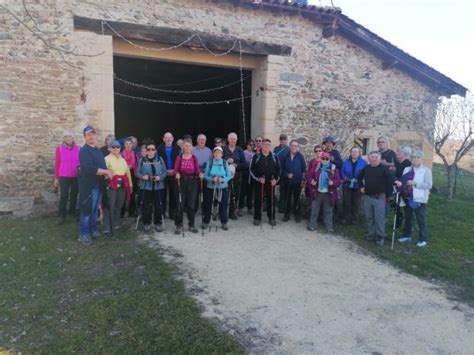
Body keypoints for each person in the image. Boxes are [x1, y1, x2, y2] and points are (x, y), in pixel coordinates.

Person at [78, 126, 112, 246]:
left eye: (93, 134)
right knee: (87, 210)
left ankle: (92, 230)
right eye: (88, 135)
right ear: (85, 137)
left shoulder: (97, 150)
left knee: (94, 210)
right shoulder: (84, 151)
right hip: (89, 186)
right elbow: (89, 168)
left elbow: (101, 165)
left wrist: (106, 173)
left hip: (98, 185)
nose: (91, 136)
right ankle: (83, 234)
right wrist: (106, 172)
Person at [358, 151, 401, 246]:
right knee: (369, 217)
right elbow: (359, 178)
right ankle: (371, 234)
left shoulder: (384, 169)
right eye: (372, 157)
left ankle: (380, 237)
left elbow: (391, 176)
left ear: (379, 158)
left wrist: (396, 181)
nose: (374, 159)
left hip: (379, 198)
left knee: (379, 218)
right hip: (367, 197)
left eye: (376, 157)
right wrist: (361, 187)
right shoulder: (366, 168)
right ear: (369, 159)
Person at [398, 150, 432, 247]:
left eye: (418, 157)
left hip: (419, 198)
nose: (415, 159)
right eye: (413, 157)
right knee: (408, 217)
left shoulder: (426, 170)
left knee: (420, 218)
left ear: (421, 159)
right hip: (407, 197)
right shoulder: (407, 169)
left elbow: (429, 185)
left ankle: (423, 239)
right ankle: (407, 235)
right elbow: (402, 180)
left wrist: (415, 184)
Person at [137, 142, 168, 233]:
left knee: (158, 205)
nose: (150, 151)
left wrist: (160, 177)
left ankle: (158, 223)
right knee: (146, 206)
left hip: (158, 186)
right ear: (146, 151)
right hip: (146, 186)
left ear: (155, 151)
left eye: (152, 149)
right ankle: (146, 223)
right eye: (148, 149)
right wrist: (143, 177)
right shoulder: (142, 160)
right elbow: (137, 173)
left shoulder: (159, 159)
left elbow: (165, 172)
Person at [173, 139, 203, 234]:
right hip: (181, 182)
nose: (187, 148)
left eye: (189, 146)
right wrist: (176, 174)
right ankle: (178, 225)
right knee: (180, 204)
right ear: (183, 147)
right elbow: (175, 170)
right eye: (185, 146)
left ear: (191, 147)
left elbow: (197, 170)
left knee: (191, 204)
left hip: (192, 183)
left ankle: (191, 225)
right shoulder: (179, 158)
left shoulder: (194, 158)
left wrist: (201, 174)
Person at [103, 140, 133, 235]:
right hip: (111, 184)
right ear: (110, 148)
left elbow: (127, 173)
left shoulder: (122, 159)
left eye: (118, 147)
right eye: (113, 147)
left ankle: (116, 223)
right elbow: (104, 171)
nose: (116, 149)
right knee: (110, 205)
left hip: (123, 185)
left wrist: (130, 184)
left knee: (119, 205)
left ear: (120, 148)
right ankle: (108, 226)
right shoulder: (106, 159)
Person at [307, 151, 341, 232]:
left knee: (328, 211)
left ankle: (329, 227)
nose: (324, 160)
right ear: (321, 159)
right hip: (317, 192)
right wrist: (311, 181)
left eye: (326, 158)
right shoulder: (316, 167)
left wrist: (333, 182)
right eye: (323, 158)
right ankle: (312, 225)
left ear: (329, 159)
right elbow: (309, 176)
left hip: (328, 193)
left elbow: (338, 180)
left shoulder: (333, 168)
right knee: (314, 210)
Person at [249, 138, 280, 226]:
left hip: (271, 181)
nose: (266, 146)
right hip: (260, 181)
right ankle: (257, 218)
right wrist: (258, 178)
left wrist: (275, 179)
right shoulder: (257, 156)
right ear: (262, 145)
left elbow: (278, 169)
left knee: (271, 199)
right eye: (265, 144)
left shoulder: (274, 156)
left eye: (268, 145)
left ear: (270, 146)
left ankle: (272, 217)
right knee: (258, 199)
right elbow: (251, 169)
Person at [202, 146, 232, 231]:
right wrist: (212, 179)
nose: (217, 154)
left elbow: (229, 176)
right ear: (213, 154)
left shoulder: (224, 163)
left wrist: (223, 179)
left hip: (222, 187)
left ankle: (224, 222)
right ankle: (206, 221)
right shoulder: (210, 162)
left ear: (222, 154)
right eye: (216, 152)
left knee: (223, 204)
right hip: (211, 186)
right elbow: (205, 175)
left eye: (219, 153)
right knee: (208, 204)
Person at [54, 129, 80, 225]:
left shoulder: (79, 148)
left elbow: (81, 162)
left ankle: (72, 213)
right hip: (63, 176)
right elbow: (57, 164)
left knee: (74, 195)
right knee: (64, 195)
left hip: (76, 176)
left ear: (73, 138)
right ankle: (61, 216)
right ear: (64, 139)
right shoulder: (59, 149)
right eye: (66, 136)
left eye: (70, 136)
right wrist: (56, 178)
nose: (68, 138)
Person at [280, 140, 306, 222]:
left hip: (297, 182)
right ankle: (286, 215)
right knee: (287, 199)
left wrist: (303, 180)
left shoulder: (300, 156)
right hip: (287, 182)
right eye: (292, 145)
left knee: (297, 199)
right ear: (290, 146)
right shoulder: (285, 156)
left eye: (295, 146)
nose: (294, 147)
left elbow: (304, 169)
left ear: (297, 147)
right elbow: (281, 169)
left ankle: (297, 215)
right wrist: (287, 175)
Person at [157, 132, 181, 220]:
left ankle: (172, 213)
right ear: (163, 139)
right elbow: (157, 162)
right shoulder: (159, 148)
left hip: (174, 174)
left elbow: (180, 162)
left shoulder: (177, 148)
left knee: (173, 194)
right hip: (163, 174)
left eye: (170, 137)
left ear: (173, 139)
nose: (168, 139)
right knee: (162, 194)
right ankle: (162, 213)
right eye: (166, 138)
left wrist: (175, 171)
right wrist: (164, 171)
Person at [340, 147, 367, 224]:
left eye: (356, 152)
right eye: (352, 152)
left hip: (358, 185)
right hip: (347, 184)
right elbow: (342, 171)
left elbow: (365, 173)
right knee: (346, 202)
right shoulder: (346, 162)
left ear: (359, 153)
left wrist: (363, 181)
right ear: (350, 153)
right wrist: (344, 177)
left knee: (356, 203)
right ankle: (344, 218)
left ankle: (354, 219)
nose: (354, 153)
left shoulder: (363, 162)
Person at [223, 132, 247, 219]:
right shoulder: (224, 149)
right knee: (224, 193)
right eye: (231, 139)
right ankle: (223, 212)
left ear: (236, 140)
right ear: (228, 140)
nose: (232, 140)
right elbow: (218, 161)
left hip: (237, 176)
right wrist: (226, 161)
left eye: (234, 139)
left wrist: (236, 165)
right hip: (225, 176)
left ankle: (232, 212)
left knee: (235, 194)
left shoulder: (239, 149)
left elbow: (244, 164)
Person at [192, 134, 212, 212]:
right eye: (200, 139)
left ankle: (205, 210)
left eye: (203, 140)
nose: (202, 141)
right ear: (197, 140)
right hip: (195, 175)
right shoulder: (192, 150)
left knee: (206, 193)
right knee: (195, 193)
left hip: (206, 174)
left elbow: (211, 163)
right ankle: (194, 209)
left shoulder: (209, 150)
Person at [393, 145, 412, 228]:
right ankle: (397, 222)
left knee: (406, 208)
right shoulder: (397, 162)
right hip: (396, 187)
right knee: (396, 206)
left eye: (399, 152)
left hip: (405, 189)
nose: (397, 153)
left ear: (405, 154)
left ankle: (409, 226)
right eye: (397, 151)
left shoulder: (408, 164)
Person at [121, 137, 139, 217]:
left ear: (132, 145)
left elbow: (137, 165)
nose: (128, 145)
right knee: (122, 194)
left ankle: (132, 211)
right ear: (124, 145)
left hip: (132, 175)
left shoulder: (135, 154)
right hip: (123, 175)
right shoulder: (120, 154)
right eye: (126, 144)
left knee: (132, 193)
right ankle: (121, 212)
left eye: (130, 144)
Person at [274, 134, 290, 213]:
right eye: (281, 139)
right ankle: (271, 205)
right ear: (279, 140)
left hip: (284, 172)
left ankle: (281, 206)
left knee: (283, 190)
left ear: (287, 140)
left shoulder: (289, 149)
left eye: (284, 139)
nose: (283, 140)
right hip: (276, 172)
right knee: (271, 189)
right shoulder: (276, 149)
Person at [241, 139, 255, 214]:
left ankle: (249, 207)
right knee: (243, 191)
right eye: (250, 145)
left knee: (250, 192)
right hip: (245, 174)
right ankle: (240, 207)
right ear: (247, 145)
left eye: (253, 145)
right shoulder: (243, 153)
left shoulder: (254, 153)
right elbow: (242, 163)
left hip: (251, 175)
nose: (251, 146)